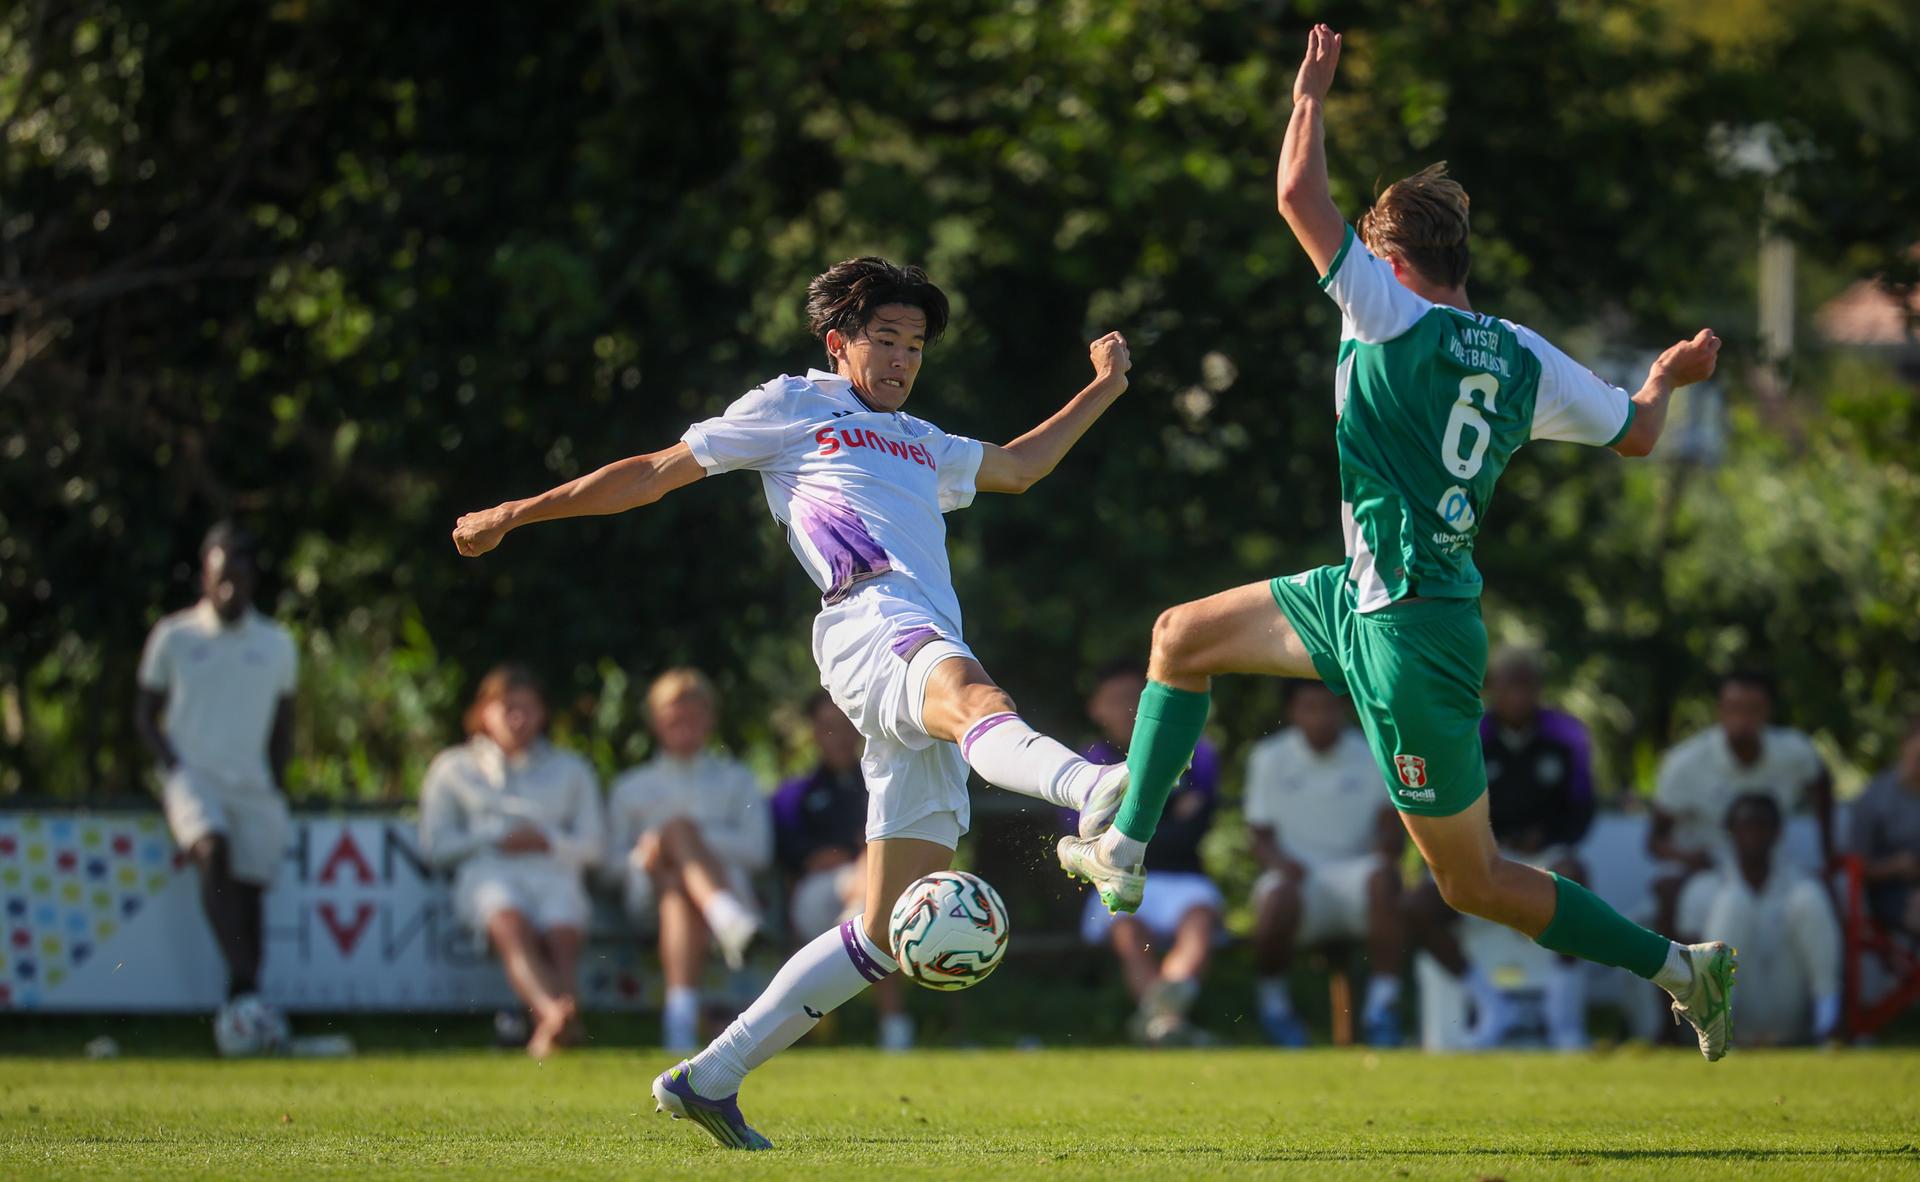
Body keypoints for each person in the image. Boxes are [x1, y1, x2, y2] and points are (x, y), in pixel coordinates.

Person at [1060, 24, 1740, 1062]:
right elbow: (1641, 434)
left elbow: (1297, 195)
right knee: (1179, 637)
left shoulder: (1384, 313)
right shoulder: (1522, 355)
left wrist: (1310, 98)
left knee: (1470, 883)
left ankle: (1681, 967)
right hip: (1365, 597)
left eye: (1364, 256)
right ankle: (1125, 850)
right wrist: (1665, 378)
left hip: (1410, 637)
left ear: (1388, 259)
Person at [453, 256, 1133, 1148]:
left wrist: (1105, 387)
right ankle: (1091, 797)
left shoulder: (920, 438)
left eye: (916, 346)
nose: (900, 360)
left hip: (916, 634)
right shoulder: (792, 404)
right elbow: (654, 471)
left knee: (886, 932)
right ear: (837, 342)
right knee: (977, 699)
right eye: (884, 339)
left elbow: (1019, 467)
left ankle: (710, 1078)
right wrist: (518, 511)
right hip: (869, 617)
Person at [134, 523, 297, 1041]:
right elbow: (145, 714)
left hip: (251, 782)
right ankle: (249, 992)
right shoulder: (174, 636)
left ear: (252, 580)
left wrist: (276, 783)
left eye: (240, 577)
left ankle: (241, 1007)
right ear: (205, 577)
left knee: (248, 894)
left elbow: (283, 726)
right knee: (211, 849)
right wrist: (173, 767)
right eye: (221, 577)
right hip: (192, 776)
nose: (230, 588)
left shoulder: (276, 643)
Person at [1403, 645, 1596, 1048]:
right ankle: (1488, 1001)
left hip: (1548, 851)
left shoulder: (1566, 734)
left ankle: (1564, 1017)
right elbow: (1449, 802)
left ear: (1539, 689)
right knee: (1419, 906)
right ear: (1491, 689)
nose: (1518, 696)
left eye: (1527, 686)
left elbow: (1582, 805)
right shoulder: (1471, 734)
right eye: (1509, 686)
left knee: (1575, 883)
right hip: (1485, 850)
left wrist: (1548, 837)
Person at [418, 664, 604, 1058]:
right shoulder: (452, 768)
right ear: (484, 712)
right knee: (508, 921)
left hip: (554, 870)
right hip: (488, 871)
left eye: (528, 708)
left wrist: (547, 841)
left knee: (562, 934)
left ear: (543, 714)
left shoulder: (571, 769)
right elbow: (437, 845)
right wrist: (496, 840)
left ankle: (553, 1027)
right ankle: (558, 1014)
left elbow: (593, 846)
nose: (518, 719)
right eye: (507, 708)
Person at [605, 668, 771, 1053]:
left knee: (679, 879)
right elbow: (608, 866)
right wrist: (645, 855)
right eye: (673, 716)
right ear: (655, 721)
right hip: (647, 897)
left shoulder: (736, 780)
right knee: (676, 837)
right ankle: (727, 918)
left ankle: (679, 1024)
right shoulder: (631, 787)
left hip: (699, 890)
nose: (684, 725)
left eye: (693, 716)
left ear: (710, 720)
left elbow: (758, 852)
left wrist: (690, 842)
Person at [1068, 663, 1224, 1046]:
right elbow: (1082, 841)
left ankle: (1158, 1021)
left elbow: (1195, 832)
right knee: (1126, 929)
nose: (1129, 710)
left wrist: (1129, 827)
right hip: (1112, 877)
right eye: (1117, 701)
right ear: (1096, 708)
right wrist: (1171, 816)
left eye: (1136, 699)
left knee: (1200, 921)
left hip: (1184, 880)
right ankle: (1168, 1021)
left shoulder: (1196, 752)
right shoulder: (1081, 764)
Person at [1243, 680, 1403, 1047]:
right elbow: (1259, 836)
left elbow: (1389, 829)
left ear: (1342, 710)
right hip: (1297, 879)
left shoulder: (1370, 752)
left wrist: (1387, 852)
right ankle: (1275, 1009)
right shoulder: (1269, 757)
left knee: (1384, 879)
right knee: (1276, 897)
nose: (1319, 717)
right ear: (1293, 712)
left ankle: (1383, 1009)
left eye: (1327, 707)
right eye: (1308, 708)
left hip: (1357, 876)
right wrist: (1281, 864)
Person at [769, 692, 913, 1051]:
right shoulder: (794, 794)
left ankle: (861, 923)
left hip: (871, 888)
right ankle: (894, 1027)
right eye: (827, 727)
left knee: (875, 898)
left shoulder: (880, 785)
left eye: (845, 726)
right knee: (877, 901)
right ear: (814, 732)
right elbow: (798, 856)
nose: (838, 736)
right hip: (812, 898)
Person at [1649, 669, 1833, 933]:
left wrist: (1830, 855)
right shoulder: (1685, 763)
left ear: (1767, 711)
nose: (1743, 719)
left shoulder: (1795, 752)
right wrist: (1690, 859)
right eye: (1735, 708)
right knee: (1710, 904)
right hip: (1708, 871)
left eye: (1753, 709)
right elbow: (1654, 841)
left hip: (1775, 872)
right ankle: (1678, 973)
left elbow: (1822, 783)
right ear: (1720, 711)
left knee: (1818, 901)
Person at [1676, 794, 1841, 1045]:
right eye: (1745, 824)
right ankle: (1717, 1034)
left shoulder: (1801, 882)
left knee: (1809, 899)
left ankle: (1828, 1026)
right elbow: (1681, 966)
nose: (1754, 833)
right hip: (1734, 1013)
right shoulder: (1703, 887)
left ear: (1776, 833)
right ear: (1731, 832)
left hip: (1789, 1009)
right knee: (1733, 902)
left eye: (1761, 825)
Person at [1847, 713, 1920, 938]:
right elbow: (1856, 866)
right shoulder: (1875, 798)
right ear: (1905, 744)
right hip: (1893, 892)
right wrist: (1895, 866)